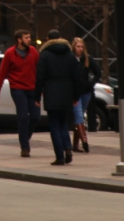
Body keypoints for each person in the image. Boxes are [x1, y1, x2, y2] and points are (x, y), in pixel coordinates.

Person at [35, 30, 86, 166]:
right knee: (63, 122)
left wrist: (37, 95)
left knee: (54, 125)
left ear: (47, 39)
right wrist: (75, 96)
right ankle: (68, 147)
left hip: (51, 91)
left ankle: (60, 156)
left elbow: (39, 76)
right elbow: (76, 77)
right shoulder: (69, 54)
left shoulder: (44, 54)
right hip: (67, 92)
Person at [0, 30, 41, 157]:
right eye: (26, 37)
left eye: (30, 37)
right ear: (19, 40)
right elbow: (2, 74)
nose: (29, 39)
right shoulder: (10, 53)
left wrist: (41, 89)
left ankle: (25, 137)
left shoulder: (33, 52)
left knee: (36, 116)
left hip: (32, 88)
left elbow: (40, 71)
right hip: (17, 88)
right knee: (23, 115)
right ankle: (24, 146)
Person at [69, 36, 100, 153]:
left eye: (82, 47)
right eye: (78, 46)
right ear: (73, 47)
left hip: (86, 91)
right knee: (79, 116)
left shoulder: (87, 58)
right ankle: (85, 141)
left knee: (80, 115)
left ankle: (75, 145)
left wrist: (91, 84)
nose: (80, 49)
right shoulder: (70, 58)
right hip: (75, 92)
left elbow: (97, 73)